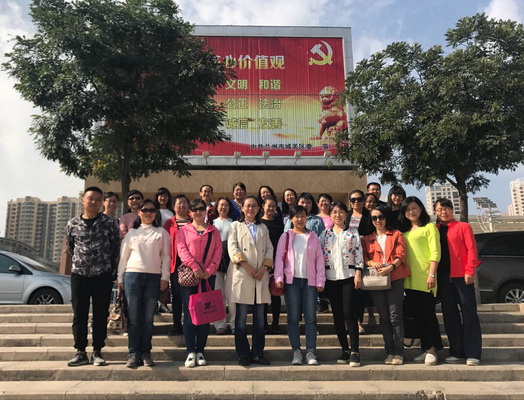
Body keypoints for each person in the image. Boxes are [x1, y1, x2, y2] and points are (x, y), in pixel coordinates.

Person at [66, 187, 120, 367]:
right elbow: (71, 248)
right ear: (83, 200)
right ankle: (80, 351)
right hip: (79, 274)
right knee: (79, 314)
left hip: (102, 275)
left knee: (100, 314)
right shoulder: (72, 223)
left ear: (101, 202)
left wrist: (108, 267)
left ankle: (97, 351)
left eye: (98, 199)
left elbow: (115, 248)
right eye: (90, 198)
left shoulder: (109, 223)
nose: (94, 202)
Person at [118, 199, 171, 368]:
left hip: (153, 279)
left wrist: (165, 277)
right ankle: (133, 353)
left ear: (156, 213)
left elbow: (166, 257)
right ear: (139, 212)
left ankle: (146, 353)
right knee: (134, 319)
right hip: (132, 276)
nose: (148, 213)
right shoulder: (132, 233)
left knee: (148, 319)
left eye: (151, 210)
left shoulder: (162, 233)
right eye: (144, 210)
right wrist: (120, 278)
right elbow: (124, 257)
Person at [274, 205, 325, 365]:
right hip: (292, 282)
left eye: (303, 216)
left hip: (310, 282)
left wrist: (320, 280)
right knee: (293, 318)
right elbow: (279, 258)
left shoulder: (313, 236)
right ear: (291, 219)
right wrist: (278, 276)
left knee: (311, 318)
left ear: (307, 218)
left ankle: (310, 351)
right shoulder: (286, 236)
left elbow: (319, 259)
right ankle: (296, 351)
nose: (300, 219)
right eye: (296, 216)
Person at [434, 198, 482, 366]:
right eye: (440, 209)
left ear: (452, 210)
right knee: (450, 316)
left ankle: (473, 353)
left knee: (469, 313)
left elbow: (471, 250)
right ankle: (457, 351)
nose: (444, 212)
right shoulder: (434, 229)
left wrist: (470, 270)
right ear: (435, 212)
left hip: (461, 276)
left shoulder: (463, 227)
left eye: (447, 208)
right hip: (443, 278)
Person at [226, 196, 274, 366]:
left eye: (254, 206)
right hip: (243, 274)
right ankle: (243, 354)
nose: (251, 209)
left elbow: (269, 249)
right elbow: (232, 248)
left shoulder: (263, 227)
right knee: (241, 319)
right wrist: (248, 267)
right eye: (247, 206)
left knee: (260, 319)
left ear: (258, 208)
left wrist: (264, 268)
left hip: (260, 276)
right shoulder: (235, 226)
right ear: (242, 208)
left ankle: (258, 353)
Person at [176, 198, 222, 368]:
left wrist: (209, 270)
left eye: (201, 209)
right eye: (194, 209)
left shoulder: (213, 231)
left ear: (205, 211)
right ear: (190, 212)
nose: (198, 212)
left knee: (205, 314)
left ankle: (201, 350)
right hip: (190, 275)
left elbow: (218, 252)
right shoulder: (184, 231)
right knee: (189, 314)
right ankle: (190, 351)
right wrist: (195, 267)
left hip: (208, 276)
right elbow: (182, 250)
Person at [362, 206, 410, 365]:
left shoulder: (396, 234)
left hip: (394, 277)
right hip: (378, 280)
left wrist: (391, 266)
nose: (378, 221)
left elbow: (401, 255)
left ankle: (399, 352)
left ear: (386, 218)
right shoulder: (367, 239)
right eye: (374, 218)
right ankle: (389, 351)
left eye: (381, 217)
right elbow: (363, 258)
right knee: (383, 317)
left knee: (395, 316)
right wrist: (371, 263)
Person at [399, 196, 442, 366]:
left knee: (428, 315)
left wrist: (432, 274)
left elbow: (435, 252)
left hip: (425, 278)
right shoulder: (405, 231)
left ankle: (432, 350)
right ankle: (425, 348)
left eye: (414, 208)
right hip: (408, 280)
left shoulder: (429, 227)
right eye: (407, 209)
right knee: (416, 316)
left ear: (421, 209)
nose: (411, 212)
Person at [319, 202, 364, 367]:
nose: (337, 215)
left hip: (349, 277)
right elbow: (319, 256)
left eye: (341, 212)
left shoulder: (352, 233)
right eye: (334, 212)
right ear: (330, 215)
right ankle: (345, 349)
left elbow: (359, 254)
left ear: (346, 214)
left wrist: (358, 273)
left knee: (349, 313)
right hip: (331, 278)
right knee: (337, 315)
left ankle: (355, 351)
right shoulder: (324, 235)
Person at [347, 189, 375, 333]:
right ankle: (352, 321)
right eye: (353, 199)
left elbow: (374, 233)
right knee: (351, 291)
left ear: (364, 201)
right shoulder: (347, 215)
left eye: (359, 199)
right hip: (348, 257)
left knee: (361, 291)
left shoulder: (370, 216)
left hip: (364, 255)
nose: (356, 202)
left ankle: (359, 321)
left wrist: (363, 238)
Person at [163, 194, 191, 336]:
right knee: (177, 296)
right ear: (173, 207)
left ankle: (190, 324)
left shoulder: (193, 221)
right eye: (179, 203)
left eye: (184, 202)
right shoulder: (169, 223)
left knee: (190, 296)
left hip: (191, 264)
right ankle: (176, 324)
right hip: (175, 263)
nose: (182, 205)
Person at [260, 196, 285, 334]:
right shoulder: (259, 223)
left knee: (276, 294)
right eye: (268, 205)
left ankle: (275, 323)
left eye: (273, 206)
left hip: (277, 262)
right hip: (262, 263)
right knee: (263, 294)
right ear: (263, 206)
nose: (271, 208)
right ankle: (263, 323)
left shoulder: (279, 223)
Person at [212, 196, 236, 335]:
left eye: (226, 205)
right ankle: (220, 325)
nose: (223, 207)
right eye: (221, 205)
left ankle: (233, 324)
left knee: (232, 295)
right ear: (217, 207)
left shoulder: (234, 223)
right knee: (218, 294)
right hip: (215, 263)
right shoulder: (211, 223)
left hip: (231, 261)